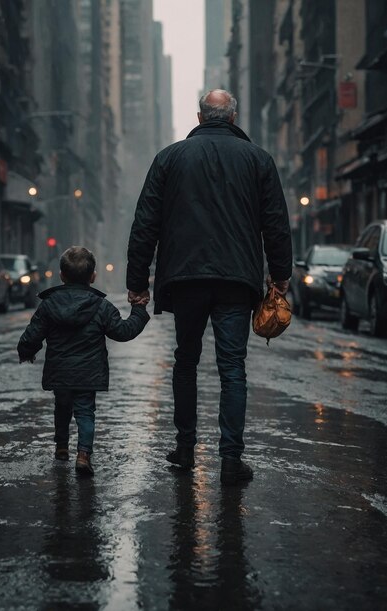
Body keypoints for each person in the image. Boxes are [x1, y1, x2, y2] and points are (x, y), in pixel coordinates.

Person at [126, 89, 292, 485]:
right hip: (237, 281)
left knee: (186, 360)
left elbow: (145, 223)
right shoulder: (258, 160)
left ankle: (185, 449)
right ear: (233, 118)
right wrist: (280, 276)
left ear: (200, 118)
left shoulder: (169, 158)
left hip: (185, 279)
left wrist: (137, 284)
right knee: (232, 368)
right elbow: (276, 224)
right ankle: (231, 461)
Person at [17, 246, 150, 476]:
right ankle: (83, 455)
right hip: (89, 373)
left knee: (62, 408)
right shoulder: (101, 307)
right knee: (86, 412)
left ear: (61, 275)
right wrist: (139, 310)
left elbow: (33, 334)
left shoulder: (50, 304)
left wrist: (27, 351)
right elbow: (123, 331)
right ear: (93, 276)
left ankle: (61, 447)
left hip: (60, 372)